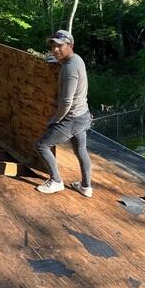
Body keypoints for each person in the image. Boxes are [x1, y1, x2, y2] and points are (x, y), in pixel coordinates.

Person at [35, 29, 93, 197]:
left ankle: (56, 181)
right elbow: (67, 63)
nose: (55, 49)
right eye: (53, 46)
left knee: (42, 145)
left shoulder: (70, 69)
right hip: (83, 114)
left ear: (70, 45)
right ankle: (86, 187)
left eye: (60, 46)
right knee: (81, 150)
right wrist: (58, 60)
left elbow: (66, 101)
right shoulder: (76, 59)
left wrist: (56, 119)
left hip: (71, 118)